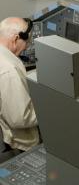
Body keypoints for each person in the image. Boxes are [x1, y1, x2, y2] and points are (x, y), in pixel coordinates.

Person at [0, 17, 39, 156]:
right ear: (16, 39)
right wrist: (50, 110)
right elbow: (21, 118)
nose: (27, 46)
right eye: (26, 42)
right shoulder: (9, 71)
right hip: (17, 144)